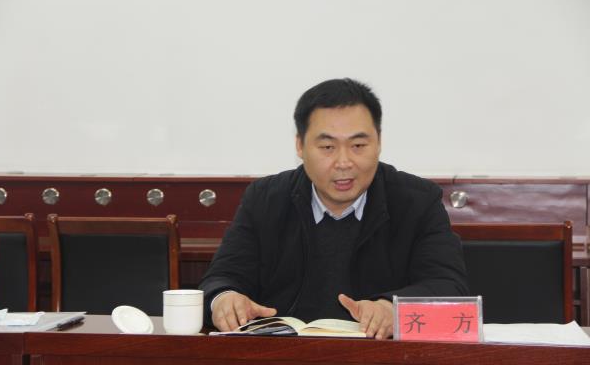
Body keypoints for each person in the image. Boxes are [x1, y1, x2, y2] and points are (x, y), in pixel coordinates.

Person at [199, 78, 468, 339]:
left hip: (379, 358)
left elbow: (449, 287)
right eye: (327, 147)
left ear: (379, 142)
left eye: (358, 146)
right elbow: (221, 279)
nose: (343, 162)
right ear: (300, 146)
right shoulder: (265, 199)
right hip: (285, 356)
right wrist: (225, 299)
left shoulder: (417, 202)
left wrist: (391, 308)